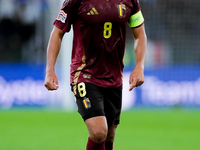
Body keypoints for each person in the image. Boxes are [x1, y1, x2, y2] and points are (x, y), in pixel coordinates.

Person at [44, 0, 147, 149]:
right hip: (84, 74)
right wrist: (50, 70)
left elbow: (140, 34)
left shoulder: (131, 1)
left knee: (109, 135)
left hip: (114, 77)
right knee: (99, 131)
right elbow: (57, 32)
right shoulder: (74, 1)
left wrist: (139, 66)